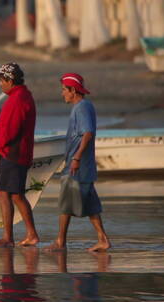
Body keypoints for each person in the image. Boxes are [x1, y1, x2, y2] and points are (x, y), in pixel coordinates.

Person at [45, 73, 111, 252]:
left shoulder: (81, 108)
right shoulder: (84, 106)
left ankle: (60, 241)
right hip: (83, 164)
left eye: (64, 90)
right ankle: (102, 239)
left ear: (73, 90)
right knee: (89, 204)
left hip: (78, 165)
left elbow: (88, 133)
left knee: (65, 203)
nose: (62, 94)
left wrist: (76, 158)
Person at [0, 62, 38, 248]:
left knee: (6, 193)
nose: (0, 84)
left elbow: (10, 132)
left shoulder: (17, 100)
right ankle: (30, 234)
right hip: (19, 153)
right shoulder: (22, 96)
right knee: (16, 195)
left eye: (1, 80)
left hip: (14, 155)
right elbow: (9, 125)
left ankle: (9, 237)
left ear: (10, 80)